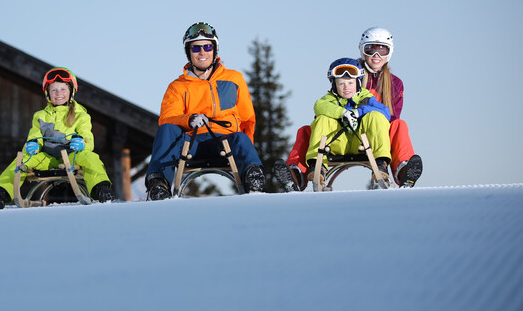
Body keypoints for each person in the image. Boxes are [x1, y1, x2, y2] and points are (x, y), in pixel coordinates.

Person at [273, 27, 423, 191]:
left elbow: (390, 116)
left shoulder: (394, 83)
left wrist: (364, 115)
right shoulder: (349, 71)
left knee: (398, 125)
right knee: (308, 130)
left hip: (376, 135)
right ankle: (297, 174)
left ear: (390, 52)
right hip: (340, 134)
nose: (376, 56)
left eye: (382, 51)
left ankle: (403, 169)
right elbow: (323, 105)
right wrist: (342, 114)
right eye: (370, 50)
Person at [144, 22, 266, 200]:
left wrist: (247, 152)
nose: (202, 52)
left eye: (207, 46)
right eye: (196, 48)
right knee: (167, 129)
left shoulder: (234, 79)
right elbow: (167, 118)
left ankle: (253, 176)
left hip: (224, 141)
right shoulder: (178, 87)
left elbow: (248, 120)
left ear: (214, 50)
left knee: (241, 136)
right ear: (189, 52)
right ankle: (159, 184)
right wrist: (190, 119)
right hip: (191, 142)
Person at [0, 67, 116, 208]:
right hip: (47, 158)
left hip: (73, 156)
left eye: (63, 89)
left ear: (71, 91)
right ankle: (0, 195)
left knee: (90, 157)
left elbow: (87, 138)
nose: (58, 93)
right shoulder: (40, 116)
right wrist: (32, 144)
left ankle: (100, 189)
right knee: (22, 159)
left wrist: (82, 143)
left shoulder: (81, 116)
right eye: (54, 90)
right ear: (48, 93)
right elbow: (34, 135)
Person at [303, 58, 391, 182]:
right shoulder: (329, 99)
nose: (346, 87)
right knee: (323, 119)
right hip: (336, 143)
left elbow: (386, 112)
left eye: (350, 83)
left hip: (361, 143)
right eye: (341, 84)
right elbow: (319, 106)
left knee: (376, 116)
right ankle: (318, 166)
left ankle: (381, 164)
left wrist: (359, 111)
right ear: (334, 84)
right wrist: (342, 113)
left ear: (358, 82)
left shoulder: (366, 97)